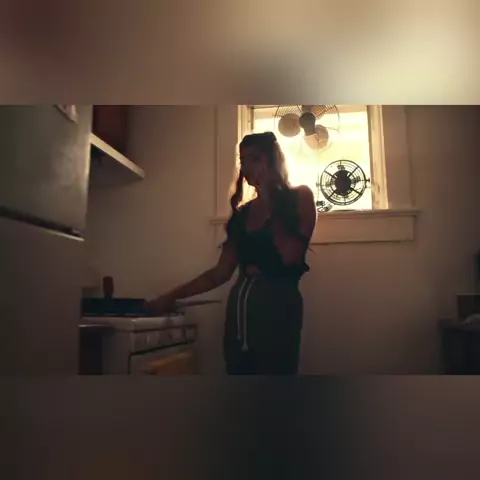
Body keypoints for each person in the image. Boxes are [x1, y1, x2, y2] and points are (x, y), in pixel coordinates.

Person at [145, 132, 317, 375]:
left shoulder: (300, 198)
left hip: (279, 312)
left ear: (273, 161)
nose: (248, 167)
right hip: (238, 318)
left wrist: (270, 196)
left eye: (255, 158)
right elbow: (219, 273)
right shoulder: (243, 215)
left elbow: (288, 256)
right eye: (243, 160)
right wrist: (170, 296)